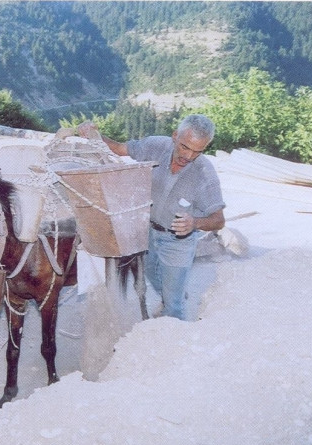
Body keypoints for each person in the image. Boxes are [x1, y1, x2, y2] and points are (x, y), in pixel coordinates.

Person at [95, 114, 226, 320]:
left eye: (197, 151)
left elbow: (219, 220)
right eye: (184, 147)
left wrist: (195, 223)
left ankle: (171, 337)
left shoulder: (204, 173)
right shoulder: (155, 146)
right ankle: (173, 291)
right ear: (175, 136)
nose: (188, 156)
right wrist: (92, 134)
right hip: (147, 232)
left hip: (178, 242)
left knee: (173, 307)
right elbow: (119, 148)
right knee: (152, 276)